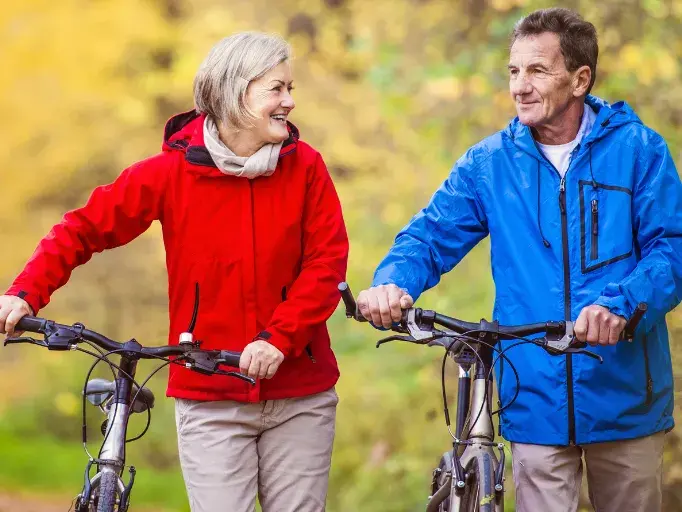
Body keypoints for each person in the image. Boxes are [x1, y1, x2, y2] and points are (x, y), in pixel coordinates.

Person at [0, 32, 348, 512]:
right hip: (209, 396)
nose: (290, 101)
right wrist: (25, 293)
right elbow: (82, 228)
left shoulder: (305, 167)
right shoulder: (170, 173)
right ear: (234, 92)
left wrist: (279, 339)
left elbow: (327, 265)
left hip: (299, 395)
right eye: (276, 89)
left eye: (290, 88)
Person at [357, 8, 682, 512]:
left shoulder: (639, 151)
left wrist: (622, 304)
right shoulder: (489, 164)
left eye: (536, 71)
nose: (519, 87)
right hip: (533, 398)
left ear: (580, 80)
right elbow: (427, 237)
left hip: (625, 399)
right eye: (513, 71)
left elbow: (672, 250)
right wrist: (392, 282)